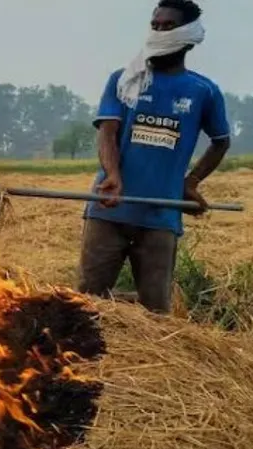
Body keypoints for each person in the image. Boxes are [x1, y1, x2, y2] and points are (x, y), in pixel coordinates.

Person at [78, 0, 231, 314]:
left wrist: (191, 181)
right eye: (155, 26)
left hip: (161, 217)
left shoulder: (204, 91)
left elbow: (220, 142)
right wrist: (113, 175)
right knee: (84, 305)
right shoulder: (124, 79)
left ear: (188, 36)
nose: (159, 32)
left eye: (168, 27)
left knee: (156, 314)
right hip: (109, 210)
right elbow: (107, 132)